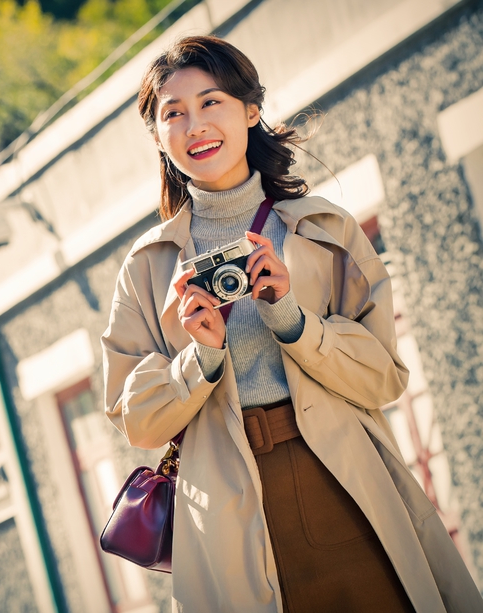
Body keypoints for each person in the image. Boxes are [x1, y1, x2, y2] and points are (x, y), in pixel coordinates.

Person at [101, 35, 483, 613]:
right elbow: (135, 421)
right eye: (172, 113)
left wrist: (292, 318)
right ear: (157, 136)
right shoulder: (147, 266)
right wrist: (199, 358)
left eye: (212, 103)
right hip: (221, 512)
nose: (194, 125)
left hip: (342, 483)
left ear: (251, 111)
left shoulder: (326, 229)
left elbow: (384, 377)